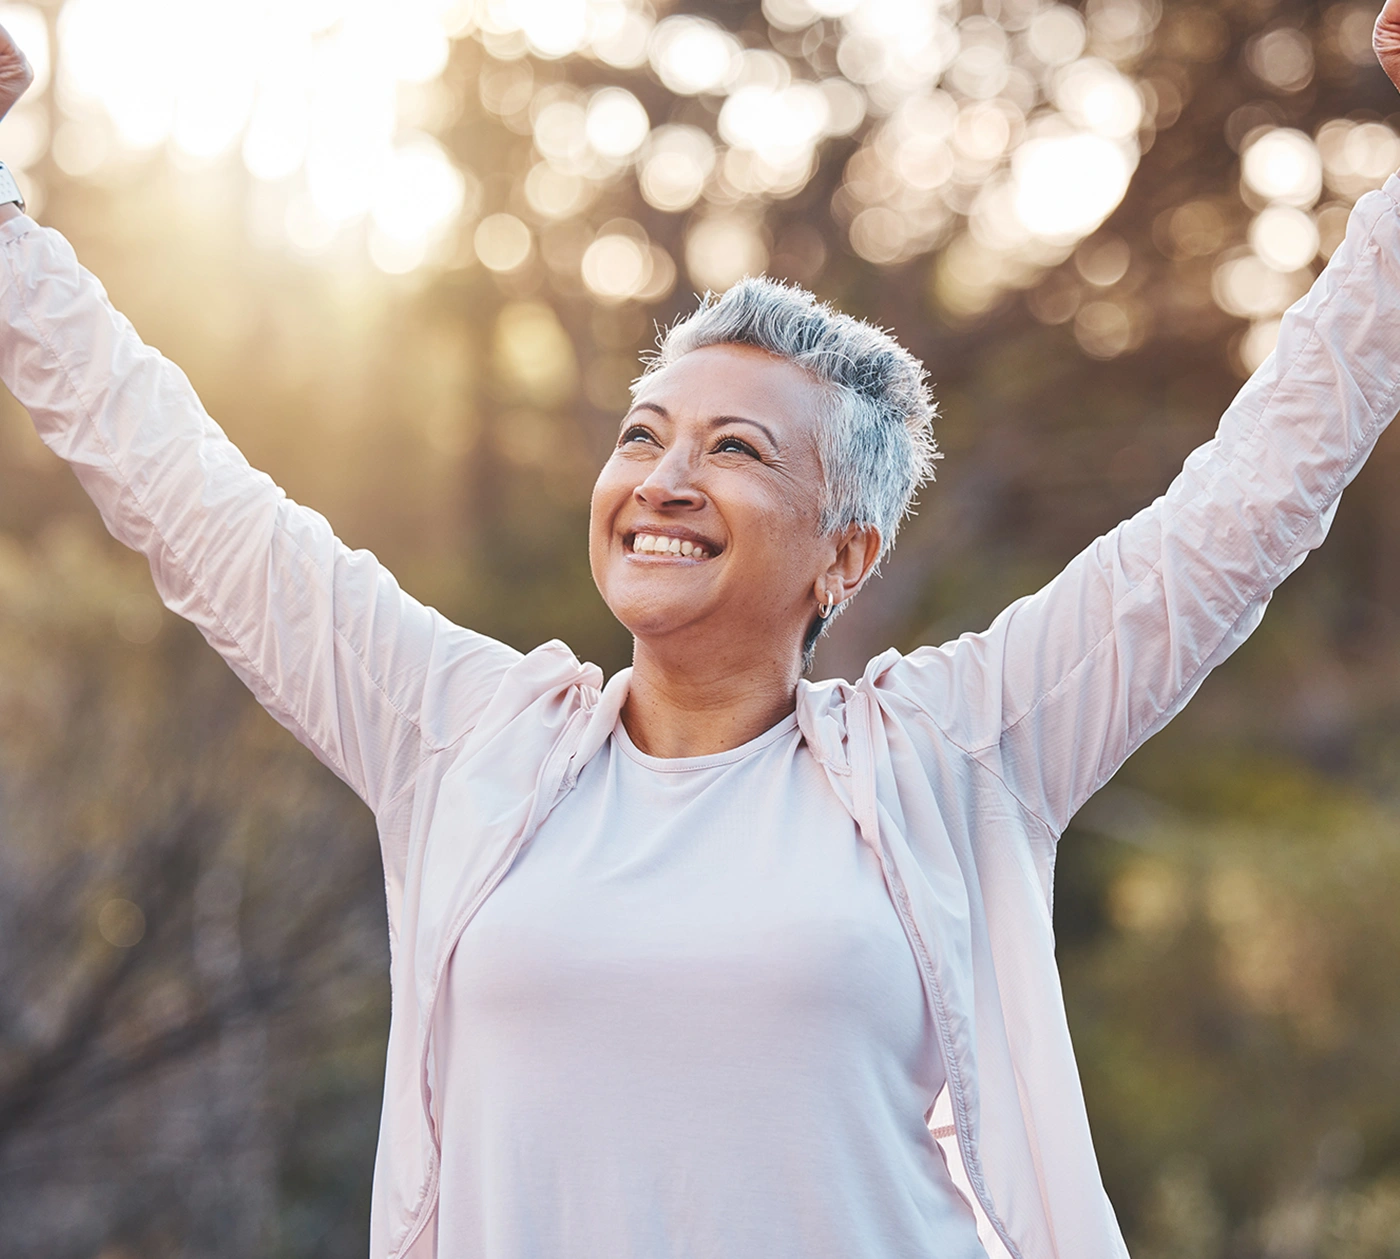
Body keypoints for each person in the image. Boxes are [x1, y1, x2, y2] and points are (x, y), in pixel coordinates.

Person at [5, 8, 1400, 1258]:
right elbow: (190, 495)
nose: (663, 480)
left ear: (843, 555)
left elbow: (1239, 514)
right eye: (641, 436)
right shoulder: (459, 736)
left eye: (735, 448)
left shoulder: (958, 754)